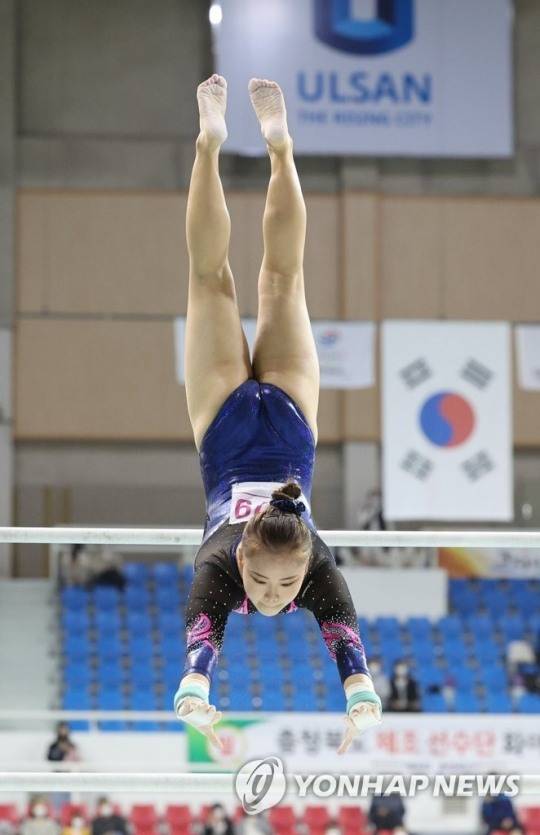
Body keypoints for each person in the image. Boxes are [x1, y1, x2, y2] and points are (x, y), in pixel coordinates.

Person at [173, 74, 382, 755]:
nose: (267, 589)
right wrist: (362, 700)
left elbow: (202, 638)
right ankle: (281, 149)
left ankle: (208, 145)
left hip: (223, 425)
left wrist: (195, 694)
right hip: (291, 414)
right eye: (276, 581)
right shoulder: (314, 561)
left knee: (210, 278)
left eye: (272, 581)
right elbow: (346, 639)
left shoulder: (218, 567)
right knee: (283, 279)